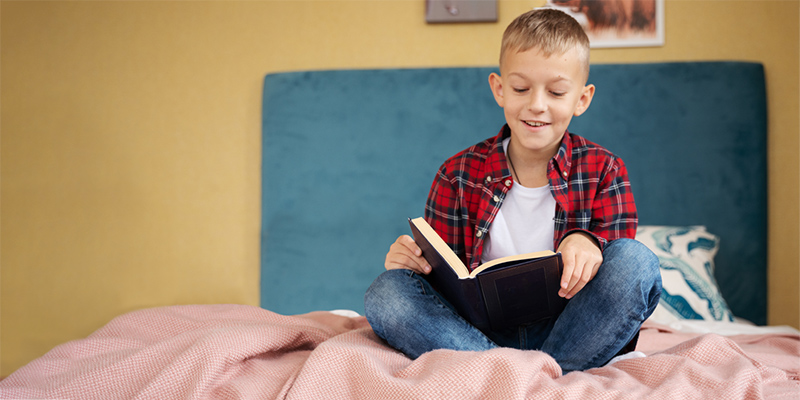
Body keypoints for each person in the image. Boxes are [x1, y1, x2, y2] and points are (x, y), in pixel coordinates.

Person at [363, 8, 661, 373]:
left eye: (556, 91)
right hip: (473, 335)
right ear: (499, 89)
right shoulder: (457, 174)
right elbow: (444, 280)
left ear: (581, 99)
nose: (537, 104)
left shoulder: (604, 170)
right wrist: (412, 264)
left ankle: (517, 376)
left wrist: (589, 242)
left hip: (572, 332)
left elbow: (617, 258)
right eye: (521, 88)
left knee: (636, 261)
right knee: (386, 292)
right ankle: (532, 377)